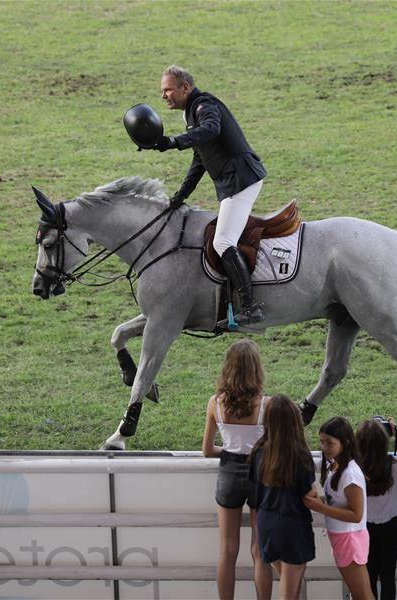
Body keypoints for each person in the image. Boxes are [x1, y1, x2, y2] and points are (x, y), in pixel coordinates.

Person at [151, 64, 268, 325]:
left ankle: (250, 309)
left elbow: (212, 129)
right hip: (233, 181)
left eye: (168, 90)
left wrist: (174, 141)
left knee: (223, 242)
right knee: (222, 239)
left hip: (241, 180)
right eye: (162, 91)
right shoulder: (191, 114)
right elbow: (200, 159)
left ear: (185, 88)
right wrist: (180, 196)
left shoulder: (205, 105)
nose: (164, 96)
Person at [201, 340, 273, 600]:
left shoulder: (215, 403)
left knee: (227, 550)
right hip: (261, 474)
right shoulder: (268, 405)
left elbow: (208, 450)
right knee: (259, 550)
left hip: (229, 473)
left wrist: (230, 451)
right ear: (256, 369)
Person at [249, 395, 316, 599]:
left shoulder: (258, 451)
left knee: (287, 581)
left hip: (266, 522)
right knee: (290, 588)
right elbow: (309, 494)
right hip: (292, 524)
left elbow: (254, 493)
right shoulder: (300, 454)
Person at [303, 417, 373, 600]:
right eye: (322, 442)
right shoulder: (337, 465)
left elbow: (356, 515)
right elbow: (339, 500)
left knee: (362, 595)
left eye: (330, 443)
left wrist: (321, 507)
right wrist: (321, 502)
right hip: (344, 538)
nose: (324, 447)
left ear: (345, 442)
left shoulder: (350, 474)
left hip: (350, 539)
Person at [356, 418, 397, 600]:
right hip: (390, 525)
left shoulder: (355, 468)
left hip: (365, 526)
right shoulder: (393, 464)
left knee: (369, 575)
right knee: (388, 576)